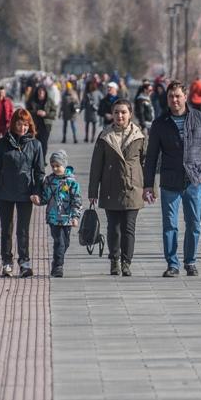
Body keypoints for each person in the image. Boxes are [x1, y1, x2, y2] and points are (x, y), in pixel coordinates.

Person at [143, 81, 201, 277]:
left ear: (185, 97)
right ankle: (172, 264)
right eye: (171, 97)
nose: (174, 100)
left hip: (195, 180)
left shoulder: (200, 119)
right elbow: (151, 157)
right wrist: (148, 185)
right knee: (170, 225)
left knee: (193, 223)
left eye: (177, 96)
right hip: (170, 181)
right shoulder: (160, 124)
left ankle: (190, 261)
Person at [88, 99, 146, 276]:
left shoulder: (139, 136)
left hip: (132, 187)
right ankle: (114, 260)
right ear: (112, 114)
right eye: (116, 112)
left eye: (123, 112)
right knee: (113, 227)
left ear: (130, 114)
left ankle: (126, 262)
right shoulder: (105, 136)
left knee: (129, 227)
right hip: (110, 187)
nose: (120, 116)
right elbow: (96, 165)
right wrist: (93, 191)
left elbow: (146, 163)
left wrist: (150, 187)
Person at [0, 108, 44, 278]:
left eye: (25, 124)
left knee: (23, 230)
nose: (22, 128)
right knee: (7, 229)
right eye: (19, 124)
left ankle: (25, 263)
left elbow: (39, 172)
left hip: (26, 193)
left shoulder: (35, 145)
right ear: (13, 124)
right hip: (4, 192)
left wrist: (37, 191)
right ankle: (7, 262)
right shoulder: (4, 143)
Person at [40, 150, 82, 278]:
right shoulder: (49, 180)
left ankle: (56, 262)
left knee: (66, 242)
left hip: (67, 218)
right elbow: (45, 197)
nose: (55, 168)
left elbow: (77, 200)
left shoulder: (71, 182)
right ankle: (58, 266)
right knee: (59, 241)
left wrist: (75, 216)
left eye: (58, 166)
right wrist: (38, 200)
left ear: (64, 165)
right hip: (54, 217)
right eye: (53, 166)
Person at [27, 85, 57, 158]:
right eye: (39, 91)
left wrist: (45, 114)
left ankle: (42, 160)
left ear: (45, 92)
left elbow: (54, 112)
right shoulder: (32, 100)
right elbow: (27, 111)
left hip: (45, 126)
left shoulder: (49, 100)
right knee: (34, 143)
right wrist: (36, 112)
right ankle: (35, 159)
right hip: (34, 125)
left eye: (42, 91)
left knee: (43, 144)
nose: (41, 93)